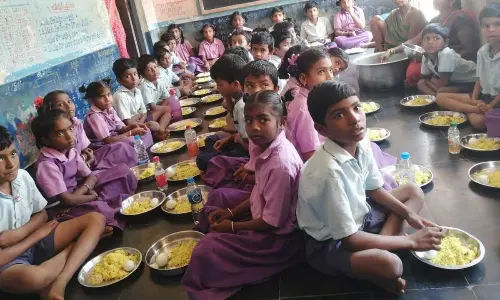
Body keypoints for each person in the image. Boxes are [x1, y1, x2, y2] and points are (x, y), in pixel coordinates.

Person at [297, 81, 444, 295]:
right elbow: (349, 238)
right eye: (339, 115)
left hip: (361, 215)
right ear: (322, 129)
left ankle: (383, 250)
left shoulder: (361, 141)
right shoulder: (327, 172)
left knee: (412, 191)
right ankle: (384, 254)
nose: (354, 119)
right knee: (392, 265)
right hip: (331, 243)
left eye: (356, 108)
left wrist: (410, 215)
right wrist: (410, 240)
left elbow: (374, 190)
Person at [182, 91, 304, 299]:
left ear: (282, 122)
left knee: (205, 251)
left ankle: (219, 244)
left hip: (279, 240)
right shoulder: (262, 145)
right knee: (218, 198)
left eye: (263, 119)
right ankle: (217, 236)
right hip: (263, 215)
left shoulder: (281, 164)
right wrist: (231, 212)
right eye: (249, 120)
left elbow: (272, 223)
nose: (254, 127)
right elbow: (259, 192)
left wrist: (232, 225)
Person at [0, 126, 106, 300]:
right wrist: (34, 236)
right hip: (8, 263)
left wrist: (20, 233)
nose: (11, 164)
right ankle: (72, 249)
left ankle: (60, 282)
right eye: (0, 158)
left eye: (12, 154)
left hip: (35, 238)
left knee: (96, 219)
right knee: (35, 278)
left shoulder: (22, 177)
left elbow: (41, 214)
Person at [32, 109, 137, 232]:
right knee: (100, 207)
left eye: (70, 129)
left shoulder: (70, 150)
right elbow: (67, 200)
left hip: (80, 193)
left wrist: (87, 189)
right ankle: (102, 218)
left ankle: (107, 211)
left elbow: (90, 176)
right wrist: (92, 197)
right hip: (64, 209)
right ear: (45, 140)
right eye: (60, 134)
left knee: (124, 173)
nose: (69, 136)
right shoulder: (47, 164)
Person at [381, 0, 480, 87]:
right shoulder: (435, 20)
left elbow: (470, 50)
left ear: (452, 1)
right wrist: (392, 51)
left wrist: (444, 64)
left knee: (415, 73)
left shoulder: (460, 18)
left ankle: (443, 93)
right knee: (416, 77)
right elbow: (414, 40)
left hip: (456, 66)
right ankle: (437, 94)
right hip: (437, 62)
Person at [436, 4, 500, 130]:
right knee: (440, 97)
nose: (491, 29)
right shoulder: (482, 52)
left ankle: (466, 111)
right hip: (484, 98)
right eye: (486, 26)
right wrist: (474, 100)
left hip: (496, 102)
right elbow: (479, 80)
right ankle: (473, 109)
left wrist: (491, 105)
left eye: (497, 24)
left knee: (478, 122)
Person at [40, 90, 138, 170]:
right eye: (60, 105)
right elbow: (70, 160)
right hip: (76, 167)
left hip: (86, 159)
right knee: (121, 156)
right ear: (51, 111)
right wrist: (85, 159)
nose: (68, 106)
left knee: (122, 147)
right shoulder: (55, 133)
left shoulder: (77, 122)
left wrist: (87, 156)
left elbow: (86, 149)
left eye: (69, 101)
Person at [196, 54, 249, 171]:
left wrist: (235, 139)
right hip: (240, 141)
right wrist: (229, 139)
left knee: (202, 160)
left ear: (235, 84)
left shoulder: (242, 106)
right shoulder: (237, 98)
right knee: (210, 141)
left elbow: (250, 145)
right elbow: (232, 115)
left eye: (220, 84)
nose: (218, 88)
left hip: (246, 152)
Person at [281, 48, 333, 161]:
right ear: (303, 78)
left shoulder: (297, 90)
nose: (330, 77)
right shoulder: (305, 108)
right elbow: (310, 154)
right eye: (321, 72)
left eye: (330, 70)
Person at [112, 58, 170, 141]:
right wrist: (140, 116)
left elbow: (144, 112)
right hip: (131, 127)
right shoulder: (120, 96)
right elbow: (127, 122)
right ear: (119, 80)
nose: (133, 78)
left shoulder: (137, 90)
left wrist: (141, 121)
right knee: (153, 125)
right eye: (128, 76)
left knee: (166, 113)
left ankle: (160, 131)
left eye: (135, 74)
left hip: (141, 121)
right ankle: (158, 133)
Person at [83, 81, 154, 148]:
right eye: (101, 97)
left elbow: (120, 129)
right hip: (102, 146)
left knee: (145, 131)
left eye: (108, 94)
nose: (107, 99)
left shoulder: (109, 109)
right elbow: (107, 140)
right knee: (128, 143)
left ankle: (141, 152)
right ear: (91, 100)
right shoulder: (94, 116)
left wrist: (131, 127)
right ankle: (138, 154)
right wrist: (131, 133)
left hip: (115, 137)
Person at [417, 24, 476, 96]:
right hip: (453, 82)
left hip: (473, 82)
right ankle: (435, 98)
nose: (430, 42)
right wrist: (425, 82)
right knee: (421, 84)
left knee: (441, 90)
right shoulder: (426, 55)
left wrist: (427, 83)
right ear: (421, 44)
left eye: (436, 38)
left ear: (446, 43)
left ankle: (437, 97)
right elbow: (424, 78)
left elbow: (441, 83)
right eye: (427, 39)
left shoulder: (447, 54)